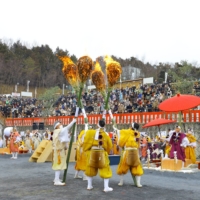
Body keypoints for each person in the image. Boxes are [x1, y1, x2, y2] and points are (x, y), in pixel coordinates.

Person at [82, 120, 113, 192]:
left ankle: (89, 186)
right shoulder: (106, 134)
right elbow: (109, 145)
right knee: (105, 169)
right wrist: (106, 151)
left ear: (97, 125)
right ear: (104, 126)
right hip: (101, 152)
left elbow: (85, 141)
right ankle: (106, 187)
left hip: (92, 152)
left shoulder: (90, 132)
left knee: (90, 168)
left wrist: (87, 150)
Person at [113, 122, 143, 187]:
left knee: (123, 166)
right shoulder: (138, 134)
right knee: (137, 166)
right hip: (135, 152)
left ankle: (121, 182)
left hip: (127, 152)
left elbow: (119, 132)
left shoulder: (128, 132)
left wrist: (115, 129)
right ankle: (138, 183)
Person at [52, 118, 76, 186]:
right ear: (56, 126)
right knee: (58, 165)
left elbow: (61, 139)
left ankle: (56, 179)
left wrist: (68, 135)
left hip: (59, 150)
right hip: (59, 151)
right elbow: (67, 128)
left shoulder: (57, 131)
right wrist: (73, 121)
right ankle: (56, 180)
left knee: (58, 164)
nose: (61, 125)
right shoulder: (59, 130)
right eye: (60, 124)